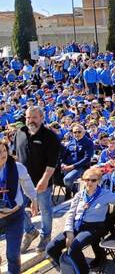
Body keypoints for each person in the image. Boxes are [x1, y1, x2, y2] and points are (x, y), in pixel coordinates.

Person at [46, 168, 115, 274]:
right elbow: (71, 214)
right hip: (76, 226)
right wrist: (69, 232)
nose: (90, 183)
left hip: (94, 227)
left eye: (93, 180)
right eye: (87, 180)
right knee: (51, 248)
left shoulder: (105, 194)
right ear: (83, 180)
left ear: (99, 181)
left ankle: (83, 272)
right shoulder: (79, 195)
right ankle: (67, 269)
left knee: (74, 249)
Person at [19, 106, 61, 253]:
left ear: (42, 118)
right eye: (28, 117)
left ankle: (46, 235)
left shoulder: (50, 136)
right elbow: (16, 157)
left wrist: (44, 180)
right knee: (17, 207)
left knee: (44, 210)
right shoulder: (20, 133)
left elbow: (52, 163)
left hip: (42, 181)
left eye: (34, 117)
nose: (30, 121)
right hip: (22, 182)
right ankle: (30, 231)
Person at [0, 140, 37, 274]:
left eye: (4, 150)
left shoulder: (17, 167)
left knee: (12, 255)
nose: (3, 154)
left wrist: (34, 200)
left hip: (14, 216)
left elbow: (27, 185)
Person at [61, 124, 95, 194]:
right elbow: (65, 155)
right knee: (55, 176)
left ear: (84, 132)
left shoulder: (88, 142)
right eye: (75, 132)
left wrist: (72, 166)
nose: (77, 134)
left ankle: (73, 190)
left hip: (81, 167)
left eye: (79, 132)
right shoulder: (71, 142)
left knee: (67, 179)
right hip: (68, 166)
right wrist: (63, 163)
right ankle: (71, 190)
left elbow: (87, 159)